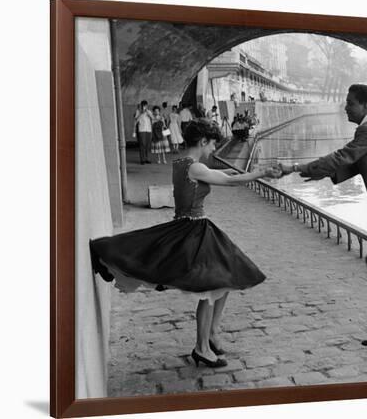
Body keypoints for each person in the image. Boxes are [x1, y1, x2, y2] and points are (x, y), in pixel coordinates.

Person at [90, 119, 282, 368]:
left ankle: (211, 334)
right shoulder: (195, 167)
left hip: (190, 227)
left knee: (226, 279)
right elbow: (230, 182)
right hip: (193, 231)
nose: (213, 149)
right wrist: (262, 173)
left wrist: (248, 171)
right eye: (213, 144)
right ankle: (202, 347)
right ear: (203, 142)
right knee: (210, 287)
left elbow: (224, 174)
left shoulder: (183, 163)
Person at [278, 84, 367, 346]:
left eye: (351, 103)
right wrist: (317, 172)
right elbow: (355, 163)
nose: (346, 107)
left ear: (364, 105)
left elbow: (342, 156)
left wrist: (294, 167)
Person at [134, 100, 153, 164]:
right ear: (141, 106)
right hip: (141, 130)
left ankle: (147, 158)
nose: (145, 107)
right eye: (143, 105)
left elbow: (153, 118)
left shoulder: (149, 111)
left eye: (146, 105)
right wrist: (141, 113)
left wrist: (148, 113)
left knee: (148, 145)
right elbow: (136, 120)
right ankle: (142, 159)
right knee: (142, 144)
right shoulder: (138, 111)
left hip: (149, 130)